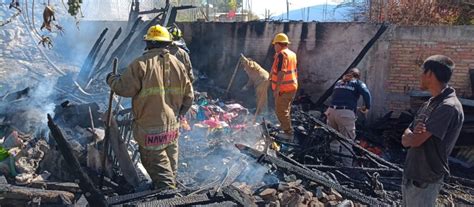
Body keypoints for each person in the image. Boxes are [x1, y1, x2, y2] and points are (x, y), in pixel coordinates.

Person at [106, 24, 194, 190]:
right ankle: (165, 189)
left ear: (148, 43)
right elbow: (189, 97)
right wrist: (178, 114)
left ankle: (168, 198)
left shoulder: (140, 64)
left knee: (161, 174)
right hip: (172, 128)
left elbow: (124, 89)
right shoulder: (179, 64)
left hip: (151, 130)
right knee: (170, 167)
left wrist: (111, 79)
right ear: (167, 43)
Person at [401, 55, 464, 207]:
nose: (420, 76)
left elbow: (415, 141)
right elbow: (405, 138)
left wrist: (411, 137)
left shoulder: (447, 107)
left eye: (422, 72)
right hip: (412, 174)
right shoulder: (429, 103)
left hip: (425, 179)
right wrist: (410, 135)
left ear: (429, 74)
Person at [325, 68, 371, 166]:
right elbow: (366, 93)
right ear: (357, 76)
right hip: (345, 114)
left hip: (331, 112)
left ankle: (333, 164)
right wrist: (367, 107)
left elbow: (338, 96)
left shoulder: (339, 82)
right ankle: (347, 169)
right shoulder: (358, 83)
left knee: (333, 140)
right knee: (347, 143)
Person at [270, 33, 298, 140]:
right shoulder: (292, 54)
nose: (274, 47)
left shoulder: (282, 54)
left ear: (279, 44)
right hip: (291, 87)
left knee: (281, 110)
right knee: (286, 109)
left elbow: (282, 72)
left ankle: (288, 133)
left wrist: (277, 89)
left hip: (284, 89)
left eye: (275, 44)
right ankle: (284, 126)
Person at [240, 54, 270, 123]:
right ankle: (260, 111)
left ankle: (263, 114)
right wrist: (246, 87)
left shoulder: (253, 64)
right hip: (262, 81)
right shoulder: (251, 71)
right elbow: (251, 80)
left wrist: (244, 59)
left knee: (261, 98)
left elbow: (248, 63)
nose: (244, 68)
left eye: (244, 66)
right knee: (259, 96)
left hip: (262, 80)